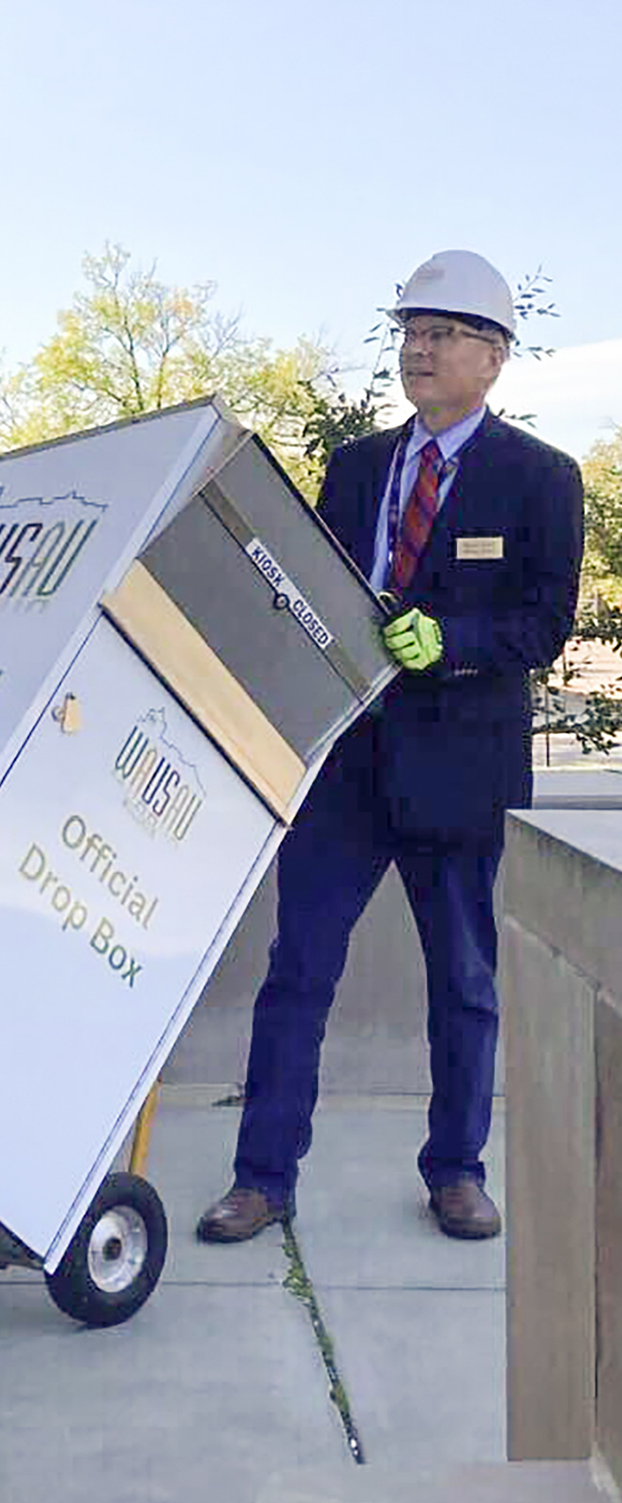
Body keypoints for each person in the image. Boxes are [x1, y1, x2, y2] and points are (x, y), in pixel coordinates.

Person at [197, 249, 584, 1245]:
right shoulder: (361, 468)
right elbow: (315, 595)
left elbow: (544, 624)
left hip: (459, 771)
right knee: (298, 971)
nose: (420, 348)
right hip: (348, 769)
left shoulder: (540, 479)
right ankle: (263, 1176)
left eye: (445, 333)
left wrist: (449, 643)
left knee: (462, 982)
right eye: (413, 331)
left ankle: (456, 1170)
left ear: (492, 359)